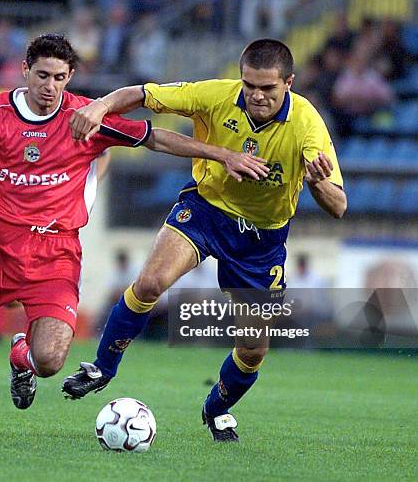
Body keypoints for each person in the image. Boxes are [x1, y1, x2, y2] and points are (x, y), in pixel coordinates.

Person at [0, 34, 269, 435]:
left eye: (59, 77)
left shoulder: (85, 117)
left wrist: (222, 154)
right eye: (42, 75)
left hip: (55, 255)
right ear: (24, 72)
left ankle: (21, 355)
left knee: (49, 361)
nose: (49, 86)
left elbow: (155, 137)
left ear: (69, 77)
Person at [62, 38, 347, 442]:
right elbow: (143, 94)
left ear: (289, 83)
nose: (257, 95)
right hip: (206, 212)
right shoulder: (217, 95)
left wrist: (318, 184)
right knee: (149, 283)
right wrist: (100, 105)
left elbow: (338, 206)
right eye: (250, 85)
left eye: (268, 88)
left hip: (261, 241)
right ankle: (101, 368)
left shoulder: (307, 124)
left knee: (253, 349)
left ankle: (217, 409)